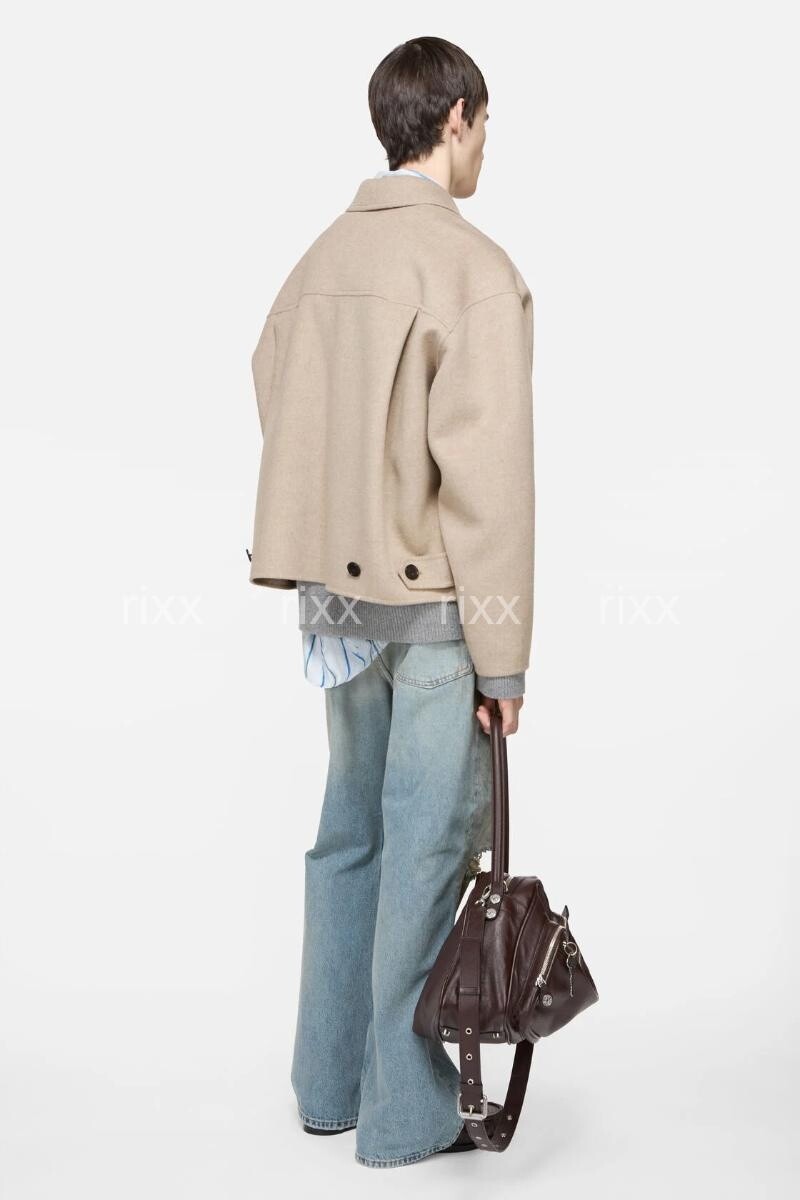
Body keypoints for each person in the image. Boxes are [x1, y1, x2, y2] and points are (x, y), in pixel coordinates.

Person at [247, 36, 535, 1168]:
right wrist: (502, 661)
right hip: (431, 611)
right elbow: (489, 487)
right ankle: (407, 1119)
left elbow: (271, 377)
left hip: (333, 605)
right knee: (424, 848)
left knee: (346, 835)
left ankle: (327, 1087)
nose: (486, 145)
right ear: (455, 118)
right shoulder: (472, 270)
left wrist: (337, 519)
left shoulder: (320, 259)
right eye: (485, 124)